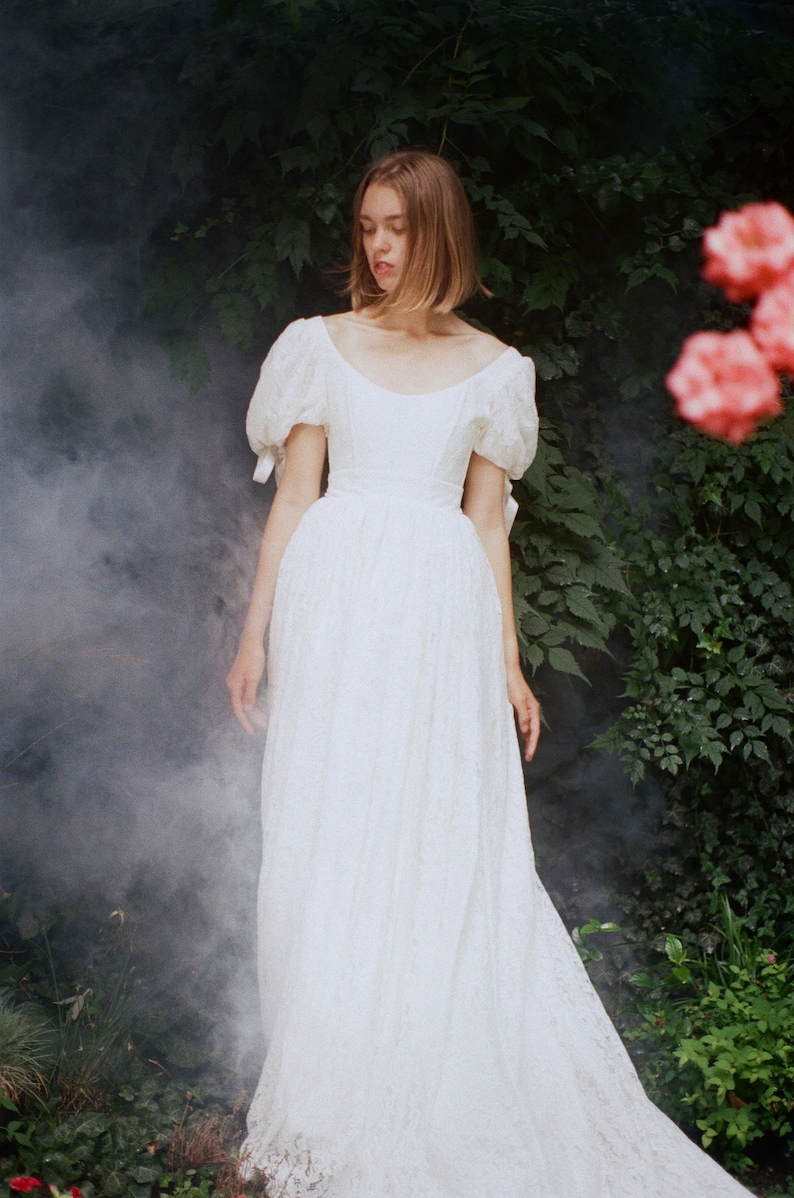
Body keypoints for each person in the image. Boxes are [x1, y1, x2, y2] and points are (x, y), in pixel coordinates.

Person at [226, 150, 750, 1197]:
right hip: (334, 600)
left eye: (398, 229)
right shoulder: (314, 348)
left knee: (433, 832)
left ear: (441, 235)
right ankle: (327, 1068)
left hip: (436, 609)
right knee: (328, 821)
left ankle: (432, 1068)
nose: (377, 247)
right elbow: (292, 499)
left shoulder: (495, 368)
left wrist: (505, 657)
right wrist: (254, 636)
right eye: (367, 227)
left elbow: (483, 523)